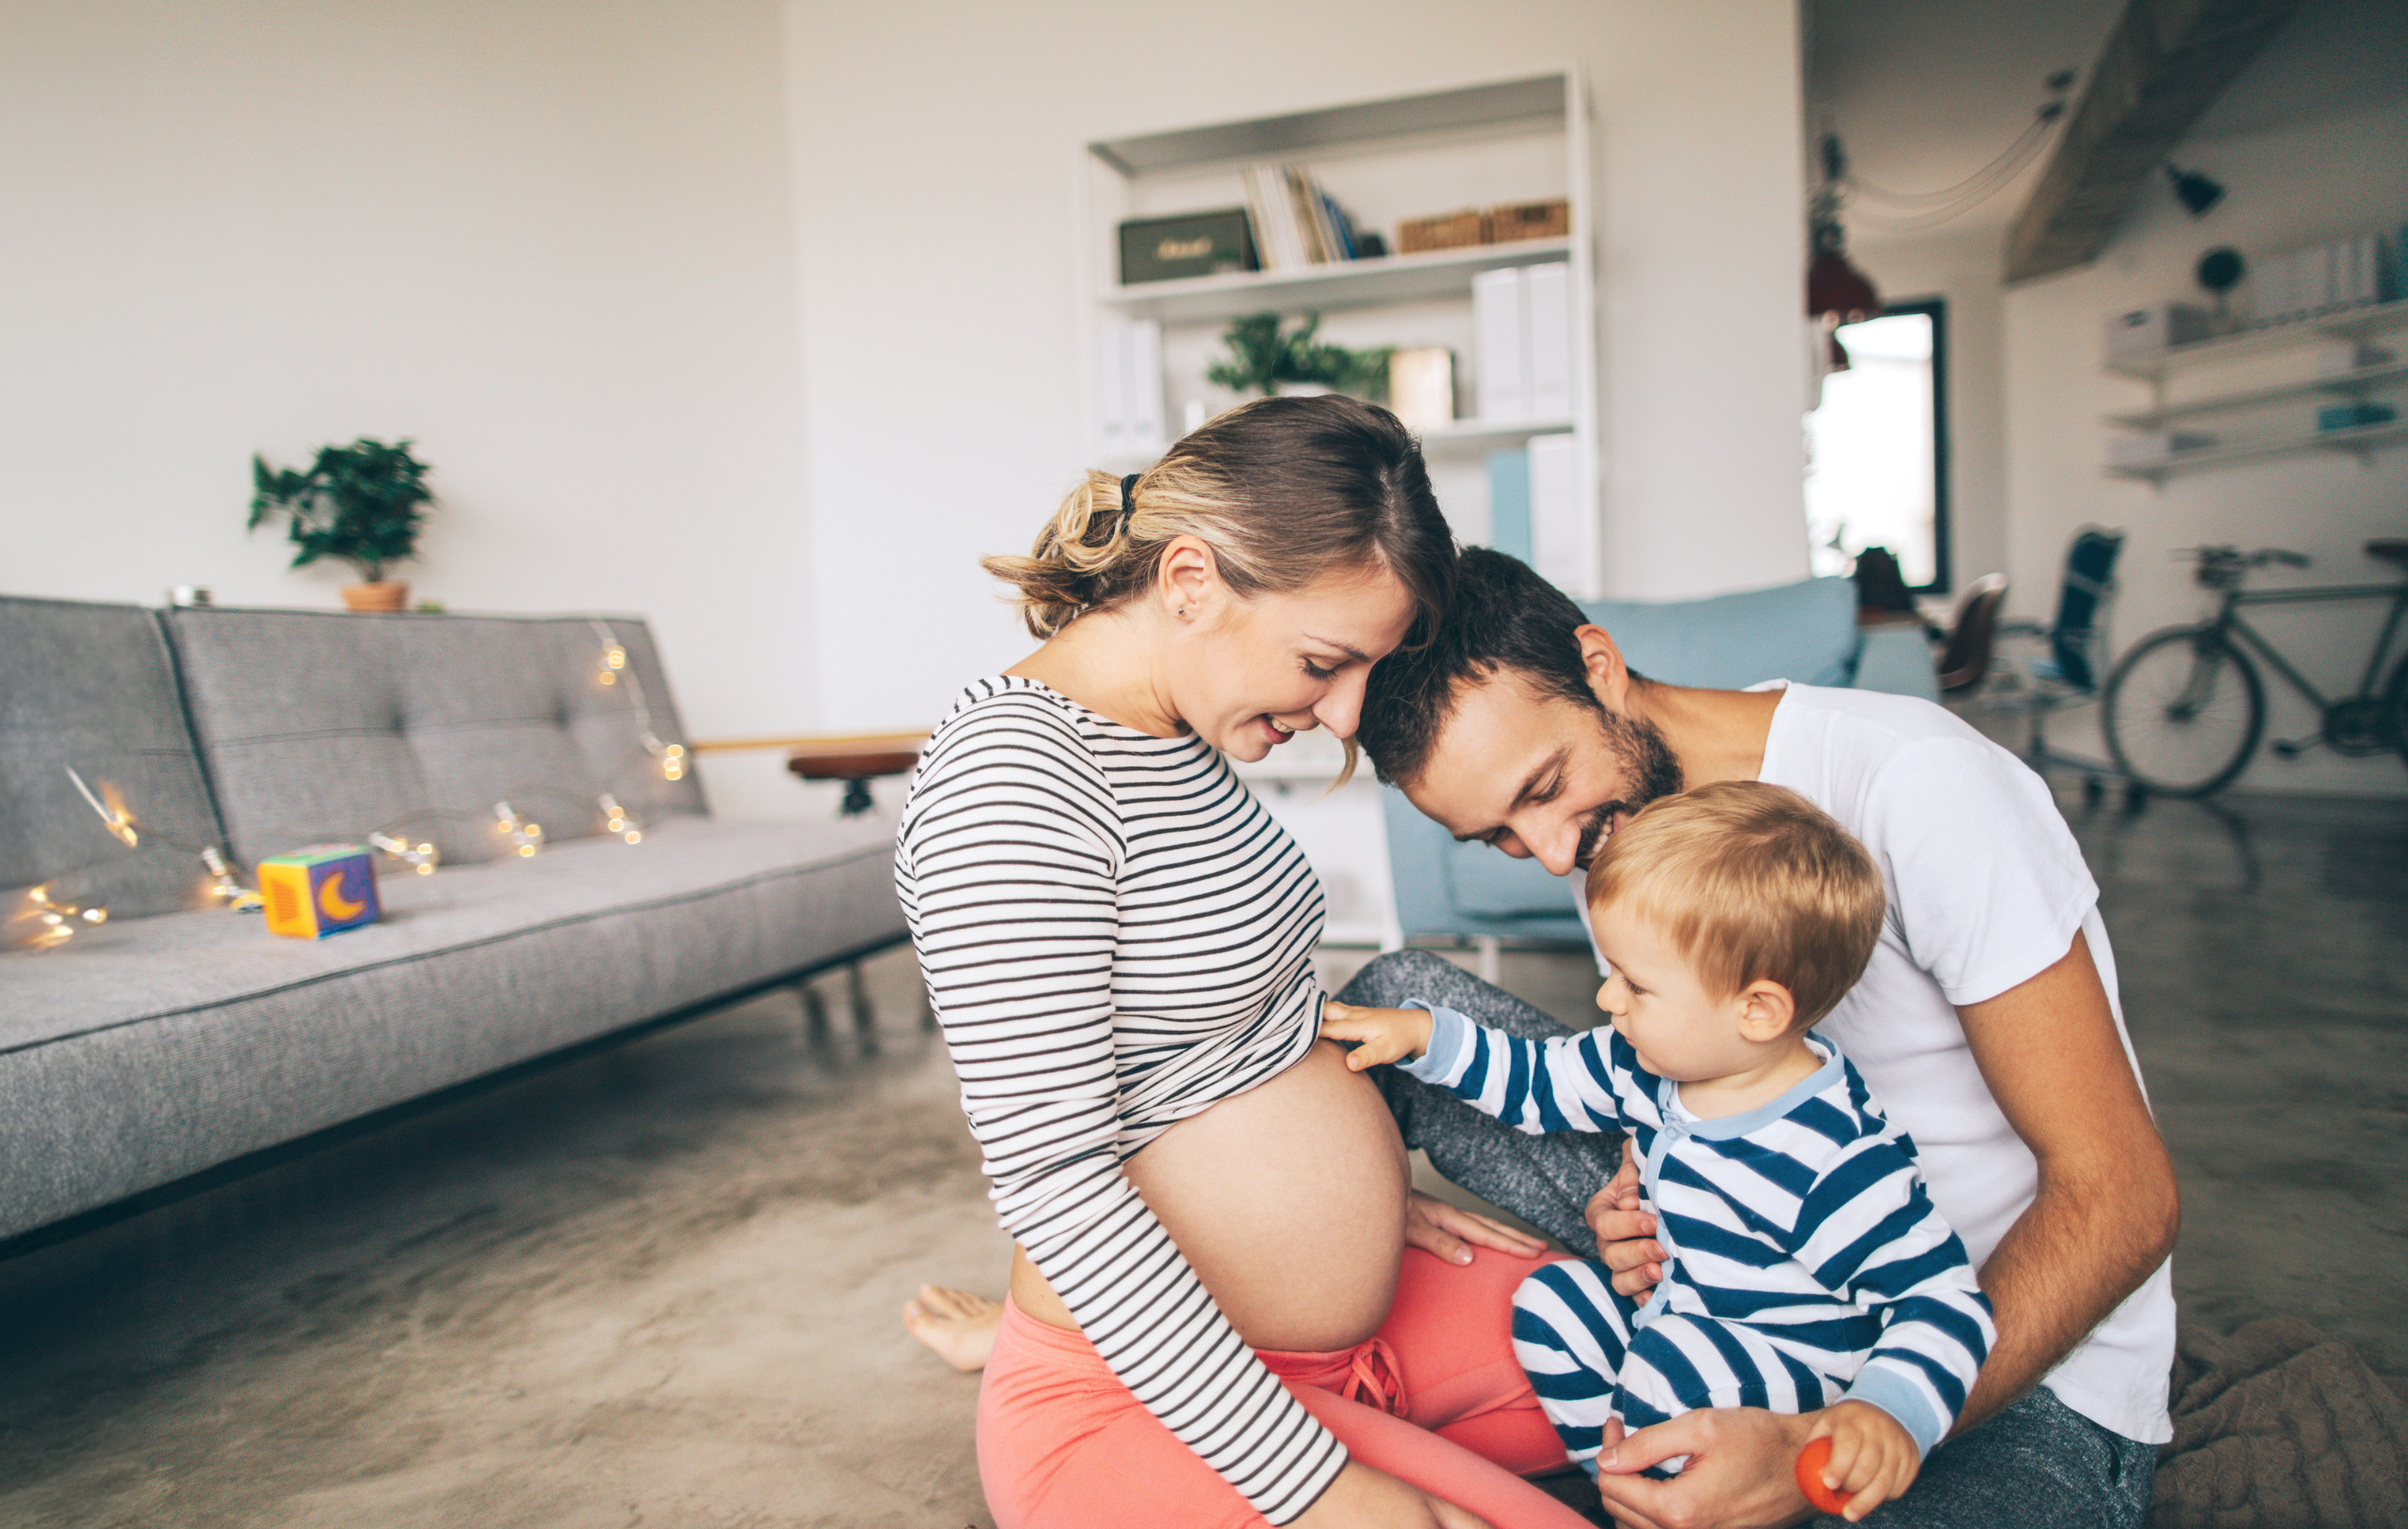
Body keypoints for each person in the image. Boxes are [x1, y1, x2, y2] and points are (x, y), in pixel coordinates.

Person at [1336, 547, 2174, 1529]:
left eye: (1541, 787)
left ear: (1599, 666)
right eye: (1501, 837)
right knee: (1394, 1003)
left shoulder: (1919, 784)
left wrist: (1825, 1440)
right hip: (1740, 1282)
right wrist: (1633, 1174)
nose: (1552, 852)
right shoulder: (1612, 815)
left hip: (1995, 1363)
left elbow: (2123, 1195)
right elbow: (1682, 1064)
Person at [903, 396, 1588, 1529]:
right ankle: (1027, 1369)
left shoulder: (1172, 727)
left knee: (1685, 1373)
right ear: (1188, 581)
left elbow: (1221, 1038)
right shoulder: (1015, 787)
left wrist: (1352, 1203)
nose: (1347, 713)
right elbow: (1056, 1182)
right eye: (1326, 661)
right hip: (1141, 1394)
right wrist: (1323, 1487)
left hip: (1335, 1330)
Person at [1323, 782, 1996, 1522]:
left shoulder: (1830, 1157)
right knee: (1551, 1305)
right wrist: (1425, 1038)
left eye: (1636, 985)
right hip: (1678, 1316)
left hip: (1787, 1376)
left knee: (1671, 1365)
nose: (1608, 1000)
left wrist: (1887, 1410)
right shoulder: (1647, 1063)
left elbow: (1943, 1300)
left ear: (1758, 1010)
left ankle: (1670, 1482)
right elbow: (1537, 1079)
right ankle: (1630, 1489)